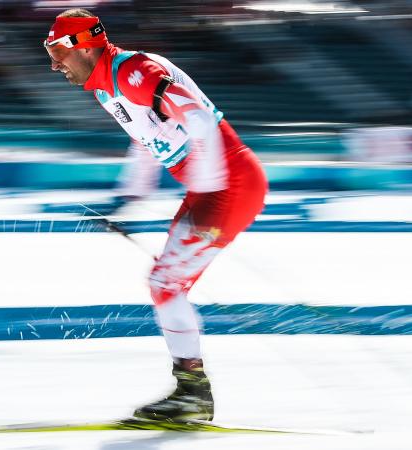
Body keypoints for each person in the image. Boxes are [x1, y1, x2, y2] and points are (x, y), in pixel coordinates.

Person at [44, 8, 268, 422]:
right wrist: (128, 198)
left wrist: (210, 188)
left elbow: (200, 121)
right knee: (165, 285)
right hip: (214, 186)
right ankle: (191, 394)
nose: (53, 62)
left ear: (85, 45)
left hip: (228, 183)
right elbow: (146, 141)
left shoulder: (134, 71)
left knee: (166, 284)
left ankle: (193, 397)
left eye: (57, 49)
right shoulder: (107, 87)